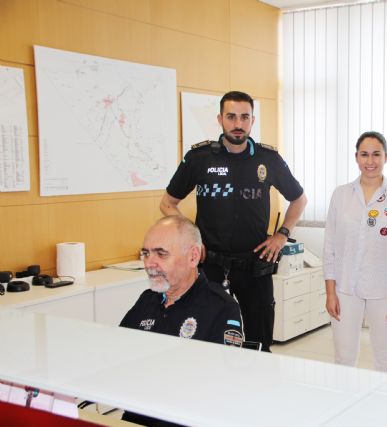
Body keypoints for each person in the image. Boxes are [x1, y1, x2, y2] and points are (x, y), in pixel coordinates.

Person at [160, 91, 306, 352]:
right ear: (220, 119)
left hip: (255, 266)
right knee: (205, 339)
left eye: (244, 117)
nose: (238, 124)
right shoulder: (199, 158)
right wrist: (193, 239)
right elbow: (167, 203)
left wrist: (282, 234)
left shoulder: (268, 159)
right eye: (231, 117)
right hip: (209, 266)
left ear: (252, 120)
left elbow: (299, 200)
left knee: (259, 344)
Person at [120, 215, 243, 426]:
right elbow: (117, 353)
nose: (149, 263)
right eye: (146, 253)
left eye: (161, 254)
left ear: (193, 256)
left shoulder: (221, 307)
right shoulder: (148, 299)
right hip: (138, 415)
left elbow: (219, 384)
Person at [323, 131, 387, 374]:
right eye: (364, 154)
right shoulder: (341, 195)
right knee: (344, 359)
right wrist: (330, 293)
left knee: (385, 360)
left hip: (386, 291)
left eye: (376, 154)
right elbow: (330, 248)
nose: (370, 161)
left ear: (386, 157)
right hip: (345, 289)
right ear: (356, 157)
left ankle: (386, 400)